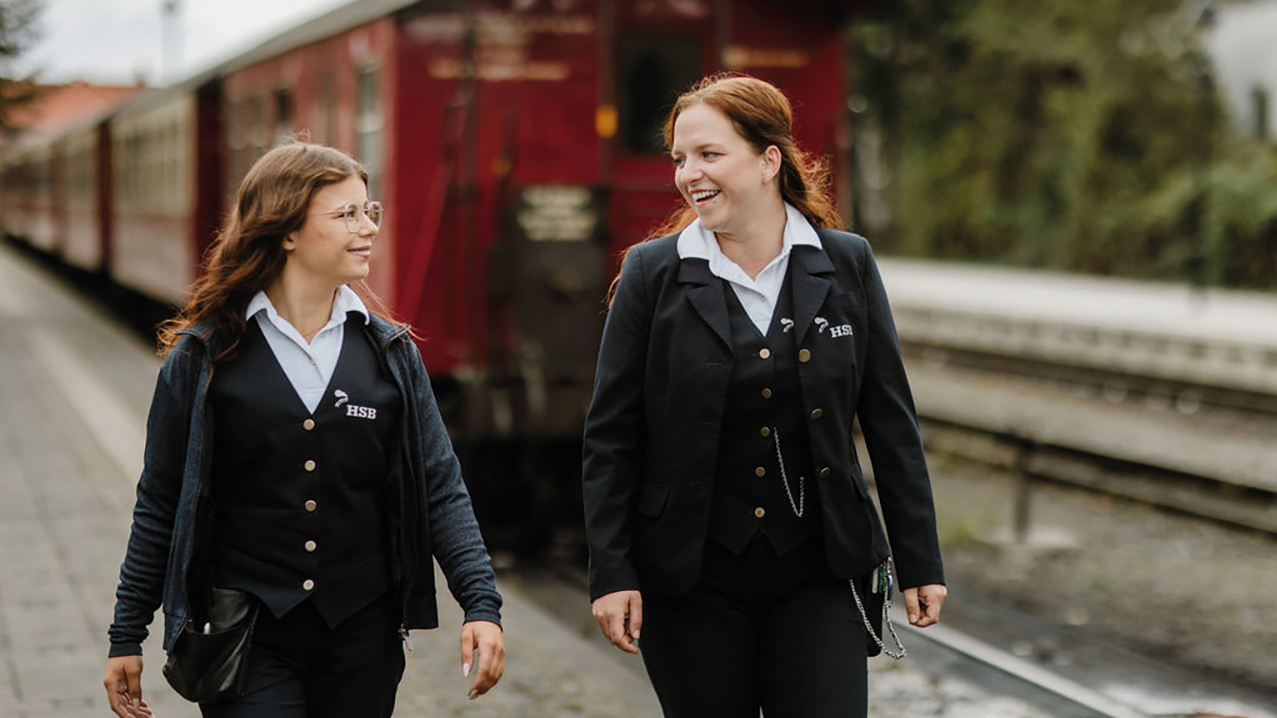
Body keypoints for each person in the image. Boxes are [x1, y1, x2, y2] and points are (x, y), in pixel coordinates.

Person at [581, 74, 947, 718]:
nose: (689, 174)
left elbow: (890, 420)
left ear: (769, 160)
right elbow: (612, 436)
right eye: (680, 159)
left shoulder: (846, 263)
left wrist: (920, 558)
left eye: (709, 155)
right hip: (690, 580)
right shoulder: (651, 273)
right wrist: (612, 572)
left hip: (820, 573)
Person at [102, 142, 505, 718]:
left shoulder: (390, 352)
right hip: (245, 634)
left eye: (370, 211)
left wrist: (481, 606)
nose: (367, 228)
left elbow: (440, 487)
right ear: (286, 231)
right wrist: (126, 634)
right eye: (346, 215)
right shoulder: (206, 355)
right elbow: (162, 501)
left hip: (363, 636)